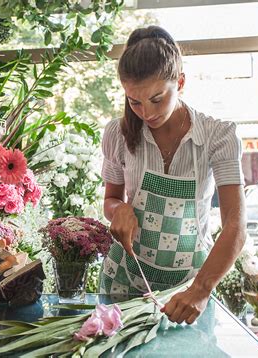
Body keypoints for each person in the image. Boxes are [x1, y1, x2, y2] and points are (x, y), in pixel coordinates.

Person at [99, 26, 246, 324]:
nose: (146, 112)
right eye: (134, 101)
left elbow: (236, 225)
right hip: (124, 286)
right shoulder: (117, 134)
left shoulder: (219, 136)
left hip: (189, 289)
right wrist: (120, 209)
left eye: (156, 98)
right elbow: (111, 200)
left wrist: (201, 289)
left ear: (180, 82)